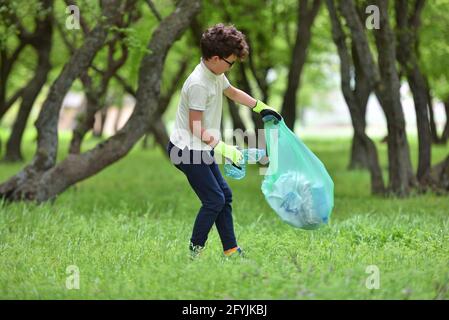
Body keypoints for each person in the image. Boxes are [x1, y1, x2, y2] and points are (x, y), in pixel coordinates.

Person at [166, 23, 281, 258]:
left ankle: (230, 249)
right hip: (186, 150)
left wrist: (262, 107)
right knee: (213, 200)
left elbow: (233, 93)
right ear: (216, 58)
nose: (232, 66)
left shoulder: (216, 74)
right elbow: (195, 126)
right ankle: (194, 252)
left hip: (201, 147)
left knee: (224, 196)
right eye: (230, 62)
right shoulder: (199, 83)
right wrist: (224, 148)